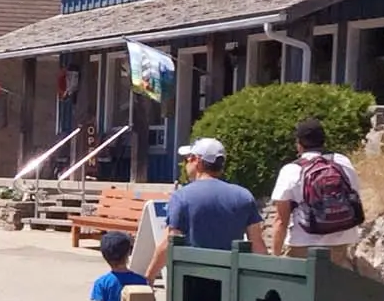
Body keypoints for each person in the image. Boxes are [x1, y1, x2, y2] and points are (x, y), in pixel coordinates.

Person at [145, 136, 265, 281]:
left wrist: (149, 276)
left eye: (188, 159)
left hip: (193, 280)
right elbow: (257, 245)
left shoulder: (182, 196)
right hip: (232, 281)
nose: (185, 164)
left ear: (198, 161)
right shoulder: (244, 196)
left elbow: (169, 242)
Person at [269, 116, 366, 266]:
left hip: (303, 246)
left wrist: (274, 257)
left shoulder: (291, 170)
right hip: (339, 245)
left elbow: (281, 220)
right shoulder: (342, 162)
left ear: (299, 144)